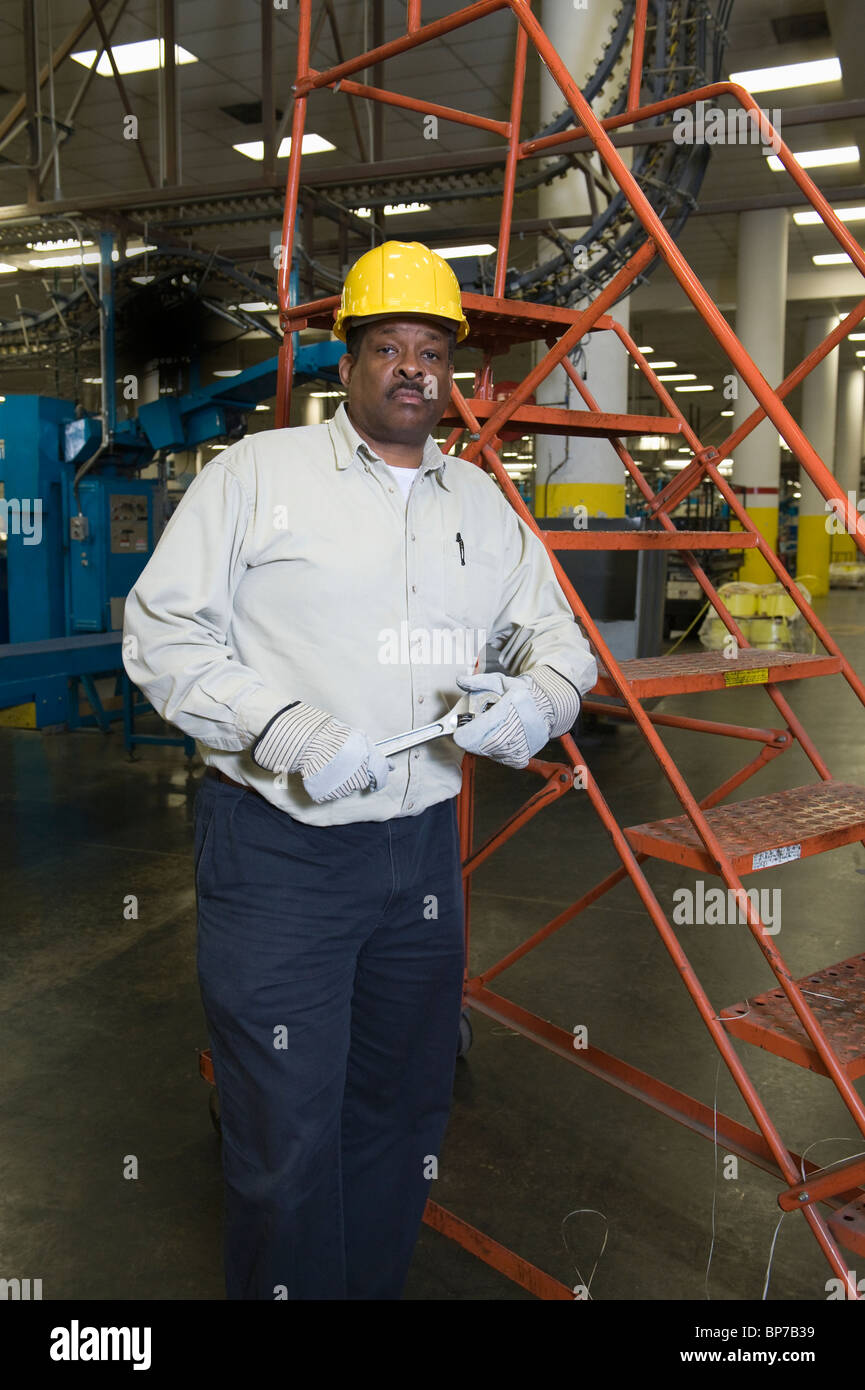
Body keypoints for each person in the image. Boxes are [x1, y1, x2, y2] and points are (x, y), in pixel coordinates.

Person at [122, 239, 597, 1300]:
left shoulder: (478, 503)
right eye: (390, 345)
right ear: (351, 359)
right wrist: (280, 728)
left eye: (432, 351)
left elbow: (558, 641)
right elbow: (162, 632)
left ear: (456, 375)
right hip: (277, 855)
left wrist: (539, 700)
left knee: (401, 1111)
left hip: (420, 853)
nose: (412, 369)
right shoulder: (256, 474)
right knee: (285, 1135)